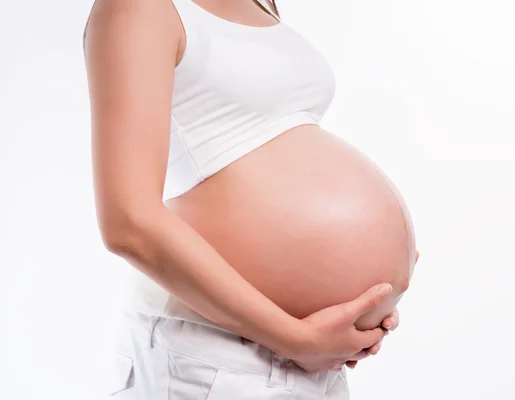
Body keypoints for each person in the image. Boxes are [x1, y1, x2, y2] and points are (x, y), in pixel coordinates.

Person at [83, 0, 420, 398]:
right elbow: (128, 222)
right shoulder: (138, 8)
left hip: (306, 358)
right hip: (213, 351)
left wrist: (372, 279)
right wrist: (295, 338)